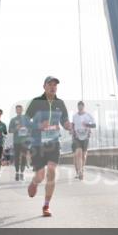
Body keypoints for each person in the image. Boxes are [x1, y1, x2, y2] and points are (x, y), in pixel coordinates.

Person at [25, 76, 72, 217]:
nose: (53, 87)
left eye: (55, 85)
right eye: (50, 84)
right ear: (44, 86)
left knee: (52, 170)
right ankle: (35, 182)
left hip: (53, 143)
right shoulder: (36, 102)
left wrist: (68, 125)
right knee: (40, 176)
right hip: (37, 144)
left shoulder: (60, 103)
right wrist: (38, 125)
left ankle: (46, 205)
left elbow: (64, 119)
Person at [71, 100, 96, 180]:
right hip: (77, 137)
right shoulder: (75, 116)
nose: (80, 109)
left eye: (81, 107)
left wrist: (87, 125)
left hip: (85, 137)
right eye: (79, 107)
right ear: (77, 107)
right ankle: (80, 172)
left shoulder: (88, 115)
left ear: (83, 107)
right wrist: (72, 132)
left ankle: (82, 169)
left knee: (84, 156)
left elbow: (94, 125)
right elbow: (73, 125)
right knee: (78, 154)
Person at [8, 104, 31, 181]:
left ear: (22, 110)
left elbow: (31, 128)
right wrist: (16, 128)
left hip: (25, 141)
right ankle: (17, 173)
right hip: (16, 141)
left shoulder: (26, 119)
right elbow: (9, 130)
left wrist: (27, 130)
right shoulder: (13, 120)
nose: (19, 111)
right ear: (16, 111)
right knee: (17, 158)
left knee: (24, 157)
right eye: (17, 109)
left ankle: (22, 173)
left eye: (20, 109)